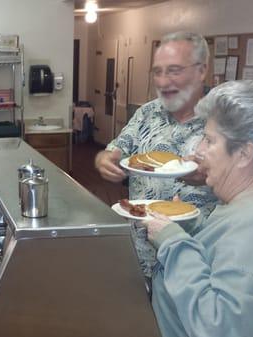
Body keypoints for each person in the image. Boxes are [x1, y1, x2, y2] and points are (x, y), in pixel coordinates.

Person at [145, 80, 253, 337]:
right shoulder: (248, 204)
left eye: (210, 141)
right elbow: (224, 258)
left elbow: (219, 327)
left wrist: (174, 244)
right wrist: (192, 229)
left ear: (244, 154)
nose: (199, 151)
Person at [94, 31, 219, 278]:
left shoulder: (223, 120)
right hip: (139, 252)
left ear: (201, 70)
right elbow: (116, 150)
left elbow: (252, 181)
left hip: (194, 262)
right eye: (157, 71)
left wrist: (210, 176)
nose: (162, 82)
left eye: (174, 70)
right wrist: (104, 161)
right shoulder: (147, 113)